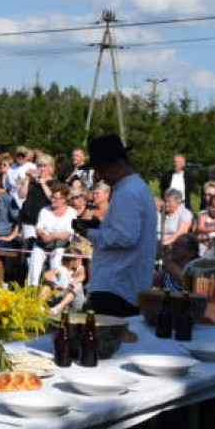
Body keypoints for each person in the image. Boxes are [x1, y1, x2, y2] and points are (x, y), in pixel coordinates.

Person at [85, 134, 158, 317]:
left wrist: (90, 233)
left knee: (106, 334)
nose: (100, 176)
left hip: (116, 287)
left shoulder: (127, 192)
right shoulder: (136, 188)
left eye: (101, 169)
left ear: (116, 164)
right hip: (124, 285)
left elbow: (125, 237)